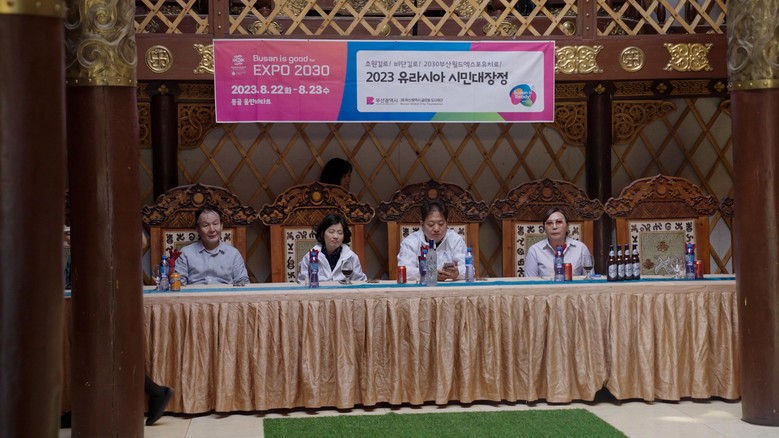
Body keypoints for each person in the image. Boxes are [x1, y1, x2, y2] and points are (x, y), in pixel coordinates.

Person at [174, 207, 249, 285]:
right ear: (198, 229)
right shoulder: (185, 253)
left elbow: (243, 282)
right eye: (206, 225)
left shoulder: (233, 254)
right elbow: (178, 284)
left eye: (215, 224)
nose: (212, 230)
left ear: (221, 226)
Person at [397, 200, 466, 282]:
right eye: (431, 224)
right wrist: (430, 274)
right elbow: (405, 271)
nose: (436, 229)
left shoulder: (455, 240)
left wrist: (458, 273)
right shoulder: (410, 243)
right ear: (422, 223)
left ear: (447, 222)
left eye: (441, 224)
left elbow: (469, 269)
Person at [524, 207, 593, 278]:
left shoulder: (581, 248)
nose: (554, 227)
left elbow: (590, 279)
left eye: (559, 222)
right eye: (549, 223)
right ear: (544, 228)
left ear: (567, 226)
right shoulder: (534, 250)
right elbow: (529, 281)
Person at [297, 214, 367, 283]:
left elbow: (360, 282)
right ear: (322, 233)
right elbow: (302, 283)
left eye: (340, 233)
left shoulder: (351, 257)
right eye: (331, 232)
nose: (336, 236)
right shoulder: (310, 257)